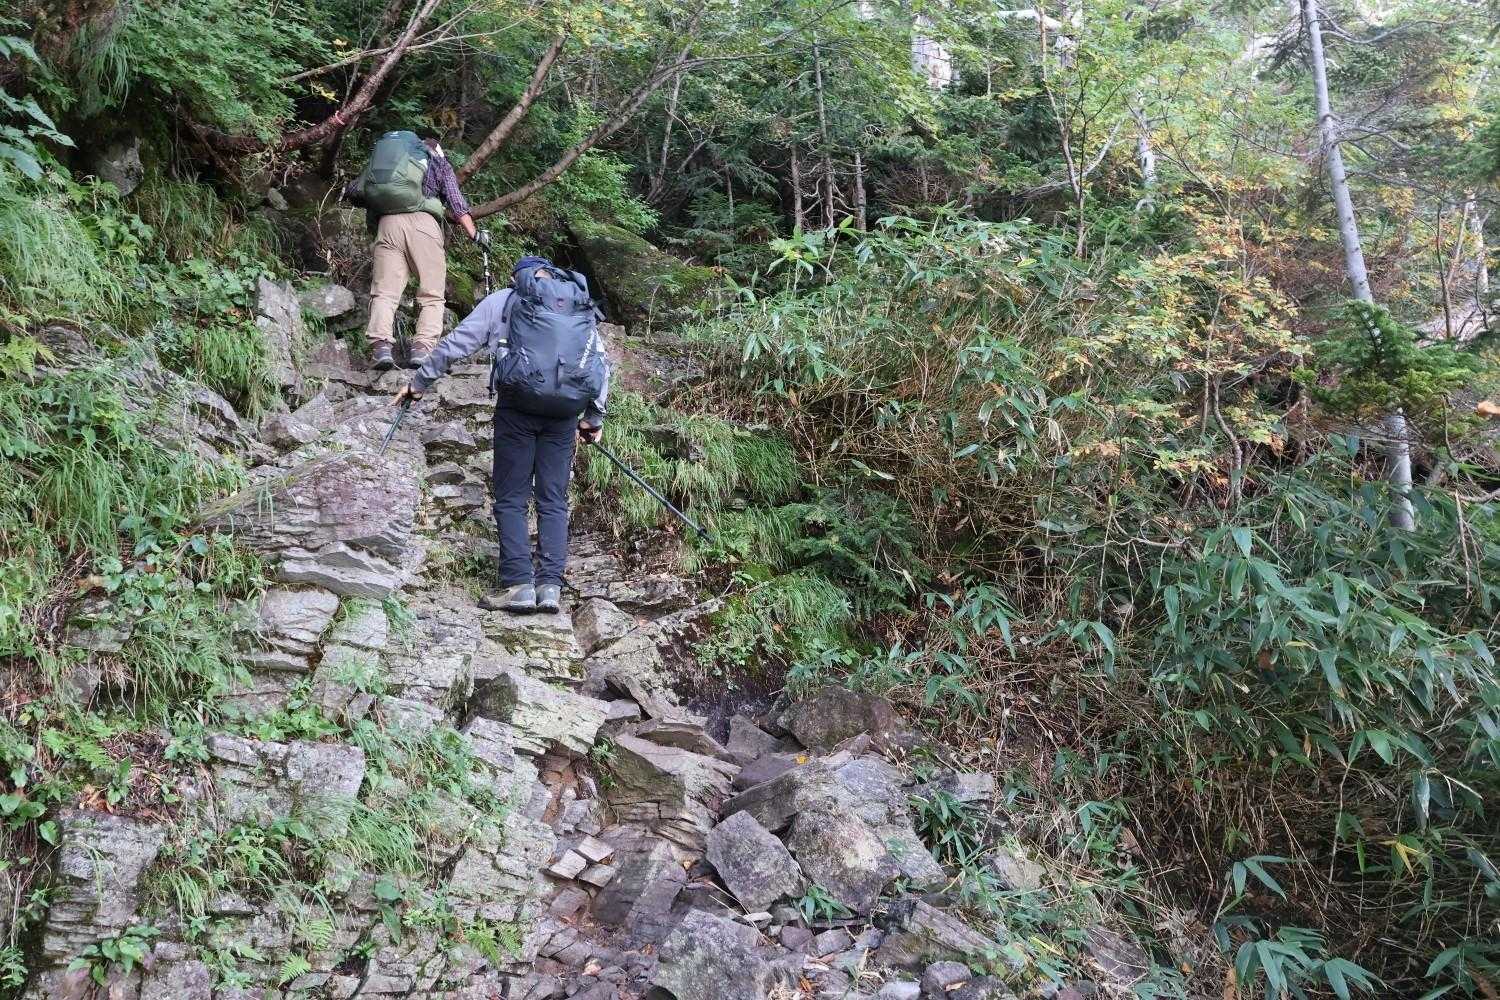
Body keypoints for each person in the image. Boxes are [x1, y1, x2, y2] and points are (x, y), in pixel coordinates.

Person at [394, 256, 610, 614]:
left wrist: (418, 384)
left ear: (520, 277)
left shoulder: (506, 300)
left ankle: (518, 585)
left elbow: (455, 344)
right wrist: (593, 419)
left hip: (517, 407)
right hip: (564, 414)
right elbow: (599, 362)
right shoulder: (576, 306)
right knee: (553, 499)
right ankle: (550, 587)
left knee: (512, 496)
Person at [345, 132, 489, 372]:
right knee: (431, 294)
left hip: (388, 225)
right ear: (437, 150)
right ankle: (422, 349)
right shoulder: (438, 162)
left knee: (385, 291)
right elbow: (456, 203)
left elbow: (355, 191)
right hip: (424, 226)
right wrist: (475, 234)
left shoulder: (390, 162)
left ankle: (381, 347)